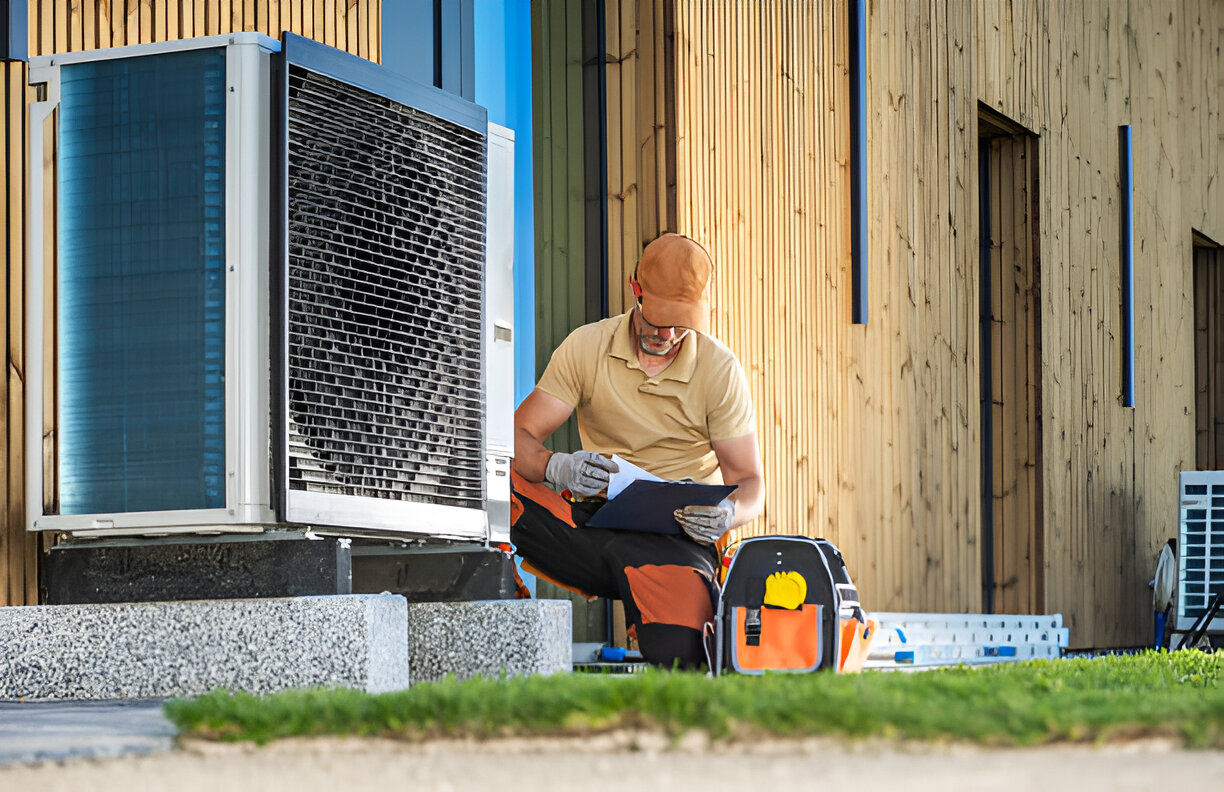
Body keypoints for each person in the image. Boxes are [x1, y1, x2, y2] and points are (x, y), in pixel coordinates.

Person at [510, 233, 764, 668]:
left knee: (683, 659)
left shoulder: (720, 369)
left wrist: (728, 514)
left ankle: (651, 613)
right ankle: (499, 604)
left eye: (680, 324)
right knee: (492, 473)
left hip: (677, 541)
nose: (666, 335)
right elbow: (515, 437)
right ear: (635, 290)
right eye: (658, 318)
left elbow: (750, 482)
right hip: (589, 526)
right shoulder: (587, 346)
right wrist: (557, 466)